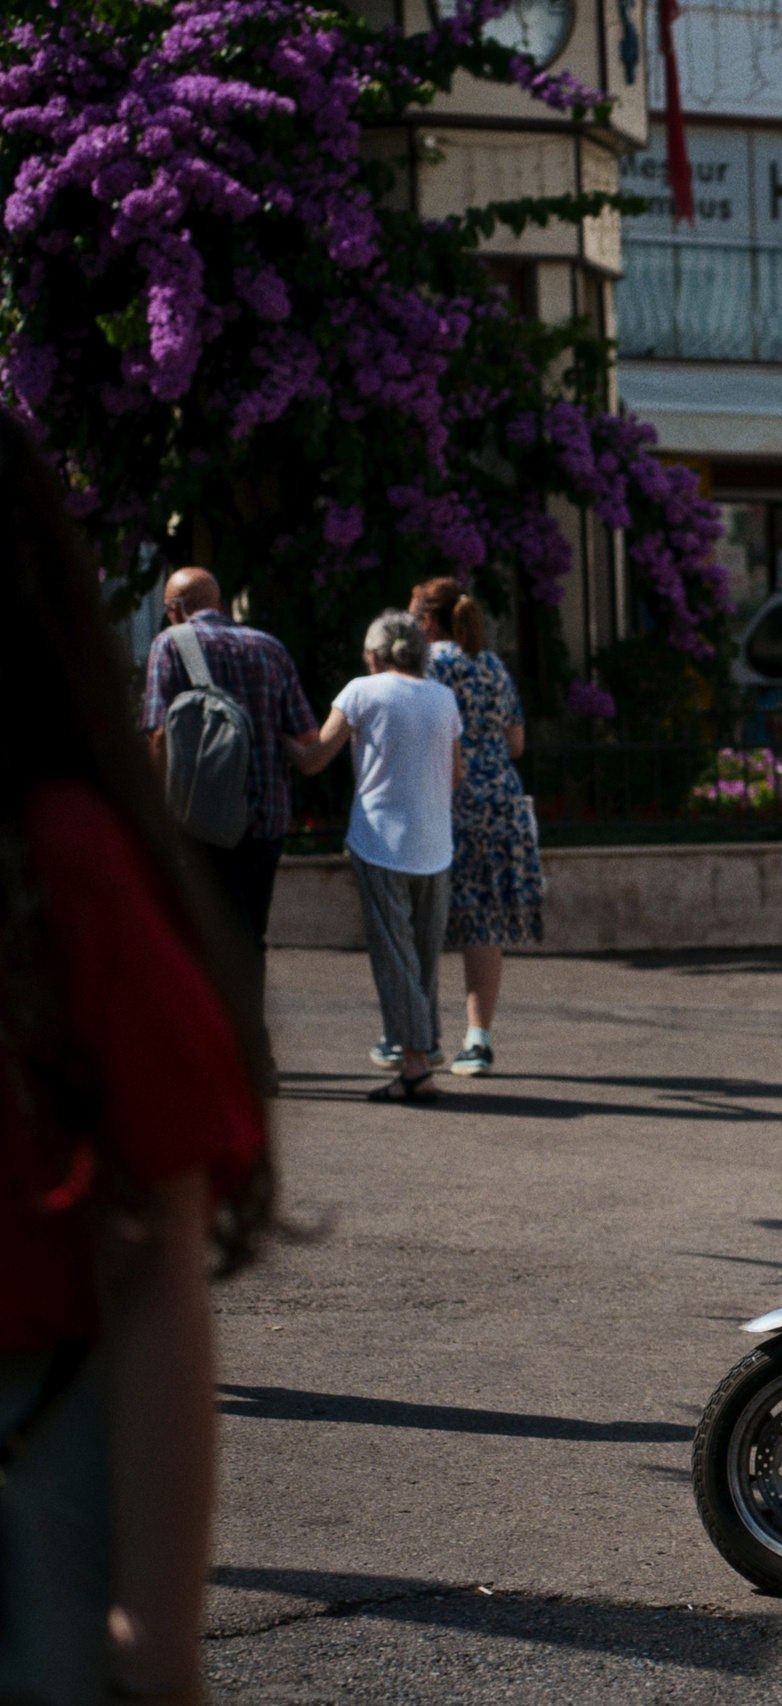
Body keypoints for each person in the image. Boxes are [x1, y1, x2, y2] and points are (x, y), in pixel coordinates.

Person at [0, 412, 269, 1706]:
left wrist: (157, 1629)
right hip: (256, 841)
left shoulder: (57, 860)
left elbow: (157, 1249)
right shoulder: (265, 651)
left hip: (31, 1455)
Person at [292, 611, 462, 1102]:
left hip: (381, 841)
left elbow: (313, 759)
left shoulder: (361, 692)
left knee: (395, 957)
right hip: (435, 843)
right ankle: (421, 1047)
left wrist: (273, 735)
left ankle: (415, 1066)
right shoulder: (443, 697)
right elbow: (455, 774)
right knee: (423, 958)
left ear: (373, 654)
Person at [141, 567, 320, 990]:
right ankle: (251, 1028)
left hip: (199, 818)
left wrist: (157, 809)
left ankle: (220, 1029)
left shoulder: (170, 644)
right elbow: (307, 738)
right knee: (250, 936)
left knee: (202, 938)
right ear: (219, 603)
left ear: (176, 608)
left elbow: (159, 734)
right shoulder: (269, 647)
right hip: (266, 816)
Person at [412, 579, 542, 1078]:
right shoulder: (492, 665)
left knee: (421, 916)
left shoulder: (426, 667)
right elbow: (516, 743)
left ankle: (418, 1038)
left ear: (427, 622)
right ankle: (478, 1038)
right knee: (483, 921)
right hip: (500, 802)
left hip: (445, 800)